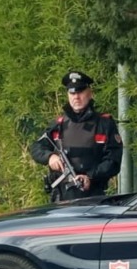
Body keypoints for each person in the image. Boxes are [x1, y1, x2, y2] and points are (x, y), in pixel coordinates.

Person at [30, 70, 123, 202]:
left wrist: (90, 177)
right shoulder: (58, 124)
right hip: (61, 199)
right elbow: (36, 147)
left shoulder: (104, 124)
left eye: (80, 92)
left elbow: (113, 161)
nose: (76, 97)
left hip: (94, 198)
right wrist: (50, 157)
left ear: (89, 93)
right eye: (72, 93)